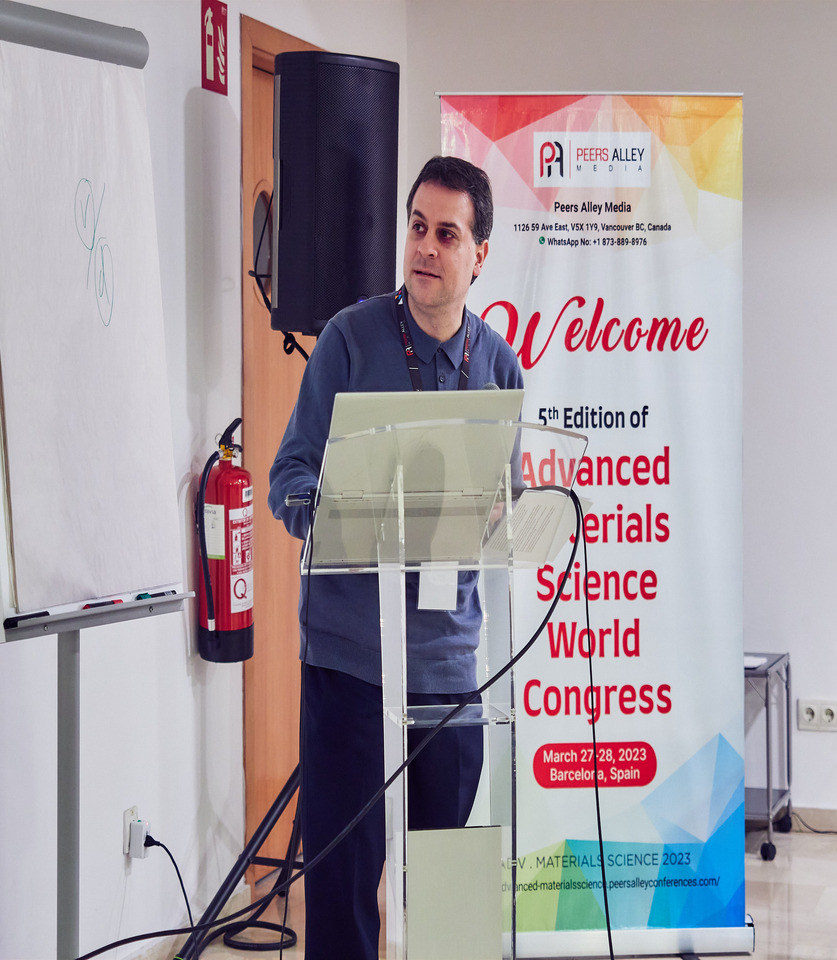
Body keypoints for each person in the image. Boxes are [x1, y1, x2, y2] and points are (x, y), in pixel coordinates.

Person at [268, 155, 523, 959]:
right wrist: (332, 508)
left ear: (480, 254)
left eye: (447, 234)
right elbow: (289, 474)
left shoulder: (499, 366)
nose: (425, 247)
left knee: (447, 898)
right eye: (417, 227)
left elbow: (507, 500)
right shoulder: (349, 340)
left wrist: (504, 510)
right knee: (343, 890)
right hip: (351, 665)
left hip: (449, 668)